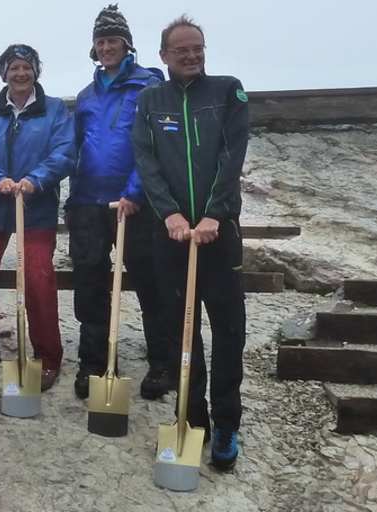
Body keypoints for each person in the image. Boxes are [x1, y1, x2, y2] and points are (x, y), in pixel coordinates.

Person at [133, 15, 250, 472]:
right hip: (172, 234)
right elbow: (146, 160)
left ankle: (226, 421)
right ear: (163, 55)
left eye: (197, 47)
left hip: (218, 235)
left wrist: (214, 215)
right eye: (181, 49)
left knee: (227, 330)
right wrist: (171, 214)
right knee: (182, 331)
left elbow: (231, 155)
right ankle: (192, 416)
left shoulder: (227, 91)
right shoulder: (150, 100)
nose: (191, 55)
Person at [67, 5, 169, 400]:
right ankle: (93, 362)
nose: (107, 47)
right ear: (94, 48)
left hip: (135, 203)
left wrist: (134, 192)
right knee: (90, 282)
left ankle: (160, 361)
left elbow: (152, 147)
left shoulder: (149, 86)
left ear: (127, 44)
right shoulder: (86, 96)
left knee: (149, 281)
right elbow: (75, 147)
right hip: (88, 202)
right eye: (101, 41)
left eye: (113, 40)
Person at [0, 44, 74, 391]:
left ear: (36, 71)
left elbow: (64, 153)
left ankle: (47, 356)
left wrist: (35, 179)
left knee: (38, 278)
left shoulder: (55, 110)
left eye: (26, 67)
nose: (20, 74)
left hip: (37, 208)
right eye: (13, 68)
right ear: (3, 73)